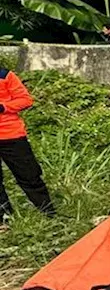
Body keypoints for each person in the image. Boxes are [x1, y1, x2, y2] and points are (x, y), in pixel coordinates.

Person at [0, 67, 55, 221]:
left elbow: (25, 100)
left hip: (11, 134)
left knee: (29, 175)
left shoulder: (5, 75)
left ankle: (48, 213)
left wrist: (3, 107)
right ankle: (4, 218)